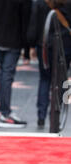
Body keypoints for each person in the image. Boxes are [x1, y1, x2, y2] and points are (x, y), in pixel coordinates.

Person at [27, 0, 71, 128]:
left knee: (44, 79)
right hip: (65, 45)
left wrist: (31, 46)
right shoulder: (67, 3)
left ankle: (41, 116)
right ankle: (56, 112)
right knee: (61, 79)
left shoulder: (40, 3)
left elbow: (34, 26)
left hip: (44, 45)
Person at [0, 0, 32, 128]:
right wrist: (27, 50)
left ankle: (4, 111)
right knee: (7, 76)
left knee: (4, 75)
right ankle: (4, 113)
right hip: (14, 41)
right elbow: (26, 22)